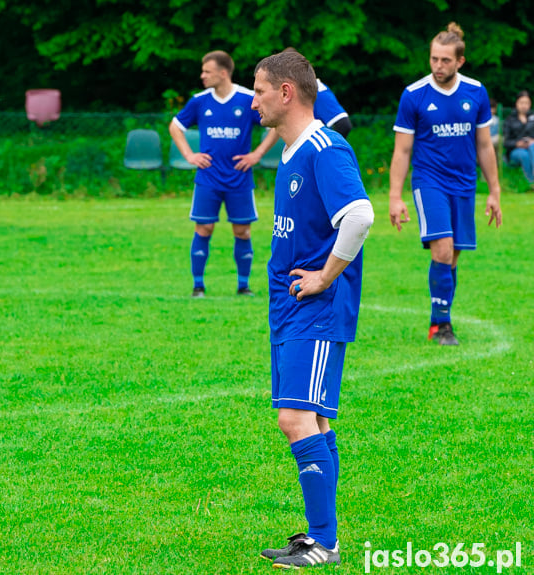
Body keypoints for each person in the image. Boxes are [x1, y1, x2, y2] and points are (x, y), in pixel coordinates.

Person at [251, 49, 374, 569]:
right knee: (314, 421)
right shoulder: (290, 149)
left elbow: (360, 217)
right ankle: (320, 539)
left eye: (258, 90)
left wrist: (326, 275)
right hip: (289, 307)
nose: (251, 100)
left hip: (316, 308)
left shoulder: (325, 148)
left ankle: (325, 542)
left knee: (294, 418)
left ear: (286, 92)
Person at [389, 23, 502, 346]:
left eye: (445, 60)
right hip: (429, 182)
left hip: (464, 184)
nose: (438, 66)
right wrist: (395, 197)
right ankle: (441, 326)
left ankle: (440, 319)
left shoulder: (476, 92)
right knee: (441, 250)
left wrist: (494, 191)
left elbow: (484, 146)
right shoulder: (414, 95)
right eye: (434, 59)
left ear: (460, 62)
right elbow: (402, 150)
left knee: (452, 257)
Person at [169, 50, 280, 298]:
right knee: (204, 228)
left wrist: (257, 154)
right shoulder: (199, 101)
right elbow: (175, 127)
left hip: (239, 179)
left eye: (207, 71)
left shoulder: (246, 98)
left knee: (242, 232)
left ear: (223, 72)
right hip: (207, 178)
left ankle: (243, 286)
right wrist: (189, 156)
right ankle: (198, 286)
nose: (202, 75)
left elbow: (275, 124)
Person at [503, 90, 534, 185]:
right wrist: (517, 144)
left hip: (531, 147)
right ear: (516, 103)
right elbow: (506, 142)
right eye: (521, 103)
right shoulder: (509, 120)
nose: (524, 105)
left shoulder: (532, 117)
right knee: (524, 155)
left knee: (533, 146)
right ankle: (531, 182)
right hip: (514, 151)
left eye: (527, 103)